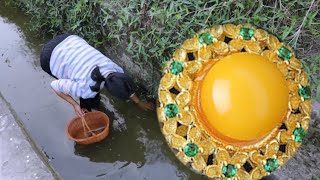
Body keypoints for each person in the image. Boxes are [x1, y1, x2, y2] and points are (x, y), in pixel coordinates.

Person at [40, 33, 153, 117]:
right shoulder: (85, 88)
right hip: (49, 57)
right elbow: (54, 85)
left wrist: (139, 102)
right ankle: (89, 109)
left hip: (69, 40)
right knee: (86, 97)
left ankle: (91, 107)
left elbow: (125, 85)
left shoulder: (114, 68)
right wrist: (75, 105)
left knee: (88, 92)